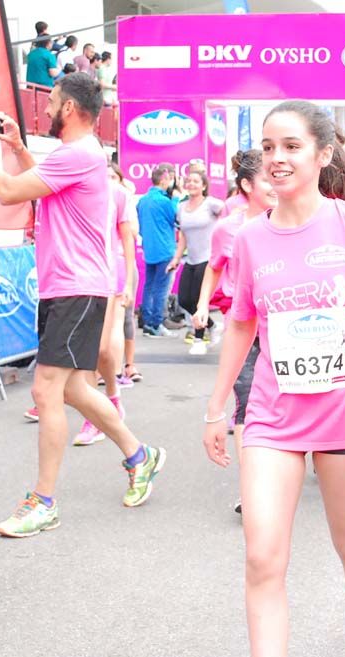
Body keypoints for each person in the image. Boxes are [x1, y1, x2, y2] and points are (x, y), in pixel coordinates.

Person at [202, 100, 345, 657]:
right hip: (271, 416)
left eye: (291, 146)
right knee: (261, 558)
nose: (277, 158)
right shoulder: (248, 237)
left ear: (322, 153)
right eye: (269, 147)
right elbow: (241, 324)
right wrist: (217, 409)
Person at [0, 73, 166, 535]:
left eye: (53, 102)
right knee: (75, 390)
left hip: (76, 287)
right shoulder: (76, 154)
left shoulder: (79, 154)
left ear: (71, 110)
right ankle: (141, 455)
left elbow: (10, 191)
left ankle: (43, 501)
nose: (47, 109)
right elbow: (34, 181)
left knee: (45, 391)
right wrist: (17, 148)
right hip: (68, 286)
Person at [194, 149, 277, 513]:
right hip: (243, 327)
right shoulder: (229, 227)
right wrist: (201, 305)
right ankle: (253, 489)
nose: (275, 184)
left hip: (284, 331)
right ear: (246, 185)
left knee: (282, 405)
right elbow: (214, 267)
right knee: (245, 402)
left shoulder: (289, 220)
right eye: (266, 179)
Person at [72, 164, 138, 445]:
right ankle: (96, 415)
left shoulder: (118, 196)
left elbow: (127, 242)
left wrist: (129, 285)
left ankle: (112, 396)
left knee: (103, 350)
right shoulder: (73, 193)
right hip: (81, 276)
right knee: (89, 350)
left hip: (113, 274)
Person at [172, 171, 224, 354]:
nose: (192, 184)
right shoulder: (181, 206)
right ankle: (211, 324)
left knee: (197, 299)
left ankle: (199, 339)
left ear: (203, 186)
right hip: (191, 258)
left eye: (196, 181)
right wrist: (176, 258)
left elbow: (230, 216)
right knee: (185, 300)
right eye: (189, 181)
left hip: (208, 259)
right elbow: (183, 236)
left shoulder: (212, 204)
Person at [137, 163, 178, 337]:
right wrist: (176, 198)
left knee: (149, 286)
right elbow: (178, 217)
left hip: (150, 249)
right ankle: (156, 323)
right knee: (161, 288)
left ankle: (148, 322)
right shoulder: (164, 201)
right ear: (165, 178)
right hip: (165, 249)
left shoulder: (142, 200)